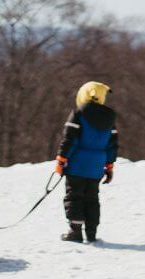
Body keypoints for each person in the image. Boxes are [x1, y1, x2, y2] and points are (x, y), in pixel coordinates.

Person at [55, 81, 118, 243]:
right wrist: (109, 166)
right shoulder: (109, 118)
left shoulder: (78, 113)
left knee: (74, 196)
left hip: (77, 164)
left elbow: (69, 139)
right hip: (96, 166)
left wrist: (61, 160)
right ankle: (91, 233)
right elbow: (112, 145)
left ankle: (75, 232)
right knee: (92, 198)